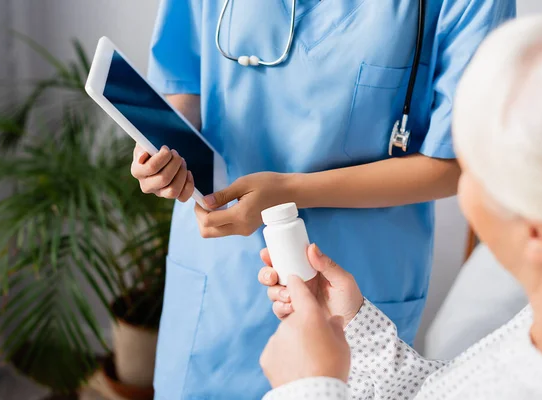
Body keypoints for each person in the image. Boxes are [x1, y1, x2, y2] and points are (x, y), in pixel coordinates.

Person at [132, 1, 515, 398]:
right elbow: (183, 83)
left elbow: (456, 160)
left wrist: (291, 193)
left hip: (357, 281)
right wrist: (162, 154)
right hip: (221, 272)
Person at [258, 15, 542, 399]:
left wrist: (309, 387)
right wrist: (354, 327)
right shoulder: (537, 330)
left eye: (472, 170)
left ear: (536, 236)